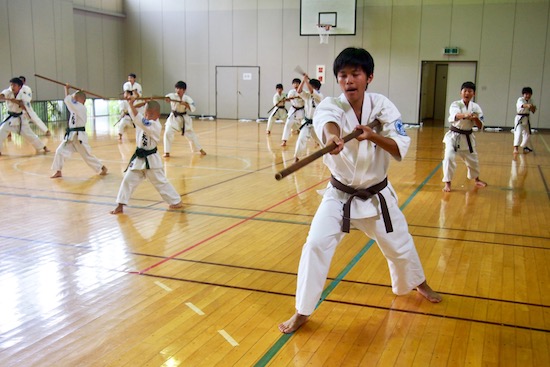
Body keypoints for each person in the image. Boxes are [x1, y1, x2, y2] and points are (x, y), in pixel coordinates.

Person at [278, 47, 441, 334]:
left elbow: (400, 146)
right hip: (340, 196)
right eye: (343, 75)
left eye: (356, 74)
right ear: (337, 80)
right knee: (315, 244)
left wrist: (374, 135)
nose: (349, 80)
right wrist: (332, 137)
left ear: (369, 77)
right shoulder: (332, 105)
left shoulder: (383, 107)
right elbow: (325, 122)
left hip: (378, 196)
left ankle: (419, 283)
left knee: (400, 244)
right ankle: (303, 310)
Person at [111, 98, 183, 214]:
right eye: (145, 113)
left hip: (151, 160)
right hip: (139, 159)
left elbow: (139, 119)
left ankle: (176, 201)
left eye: (150, 114)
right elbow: (136, 117)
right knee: (128, 180)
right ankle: (120, 205)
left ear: (157, 115)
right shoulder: (143, 121)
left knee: (160, 182)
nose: (147, 116)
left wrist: (131, 103)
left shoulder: (155, 125)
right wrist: (138, 103)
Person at [51, 84, 107, 178]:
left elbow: (68, 101)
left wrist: (66, 89)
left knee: (86, 156)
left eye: (75, 97)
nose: (73, 98)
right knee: (59, 151)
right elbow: (69, 101)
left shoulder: (80, 107)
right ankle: (58, 171)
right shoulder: (75, 108)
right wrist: (69, 91)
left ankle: (102, 168)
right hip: (71, 136)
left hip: (78, 136)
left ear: (79, 99)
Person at [442, 81, 487, 192]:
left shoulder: (476, 107)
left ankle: (476, 179)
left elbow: (481, 125)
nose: (467, 93)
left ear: (474, 94)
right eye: (465, 91)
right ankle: (447, 183)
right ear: (461, 92)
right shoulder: (456, 104)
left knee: (473, 160)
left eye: (470, 91)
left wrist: (475, 118)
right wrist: (466, 115)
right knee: (448, 157)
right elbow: (455, 115)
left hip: (467, 138)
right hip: (453, 137)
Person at [0, 77, 50, 156]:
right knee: (1, 130)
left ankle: (43, 147)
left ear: (19, 86)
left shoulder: (24, 93)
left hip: (20, 120)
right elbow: (2, 94)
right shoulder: (8, 91)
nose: (12, 87)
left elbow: (24, 106)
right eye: (11, 85)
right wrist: (2, 96)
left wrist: (16, 101)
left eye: (14, 85)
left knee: (30, 135)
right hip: (10, 118)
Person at [163, 81, 206, 157]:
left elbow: (193, 108)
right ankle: (167, 152)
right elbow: (167, 98)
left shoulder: (187, 98)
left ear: (184, 90)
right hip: (173, 118)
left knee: (191, 135)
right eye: (177, 88)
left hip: (184, 119)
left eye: (180, 89)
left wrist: (186, 104)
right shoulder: (172, 96)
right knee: (167, 132)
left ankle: (199, 149)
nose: (178, 90)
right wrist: (167, 99)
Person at [293, 75, 323, 162]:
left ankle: (329, 153)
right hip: (307, 122)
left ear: (315, 87)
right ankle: (296, 157)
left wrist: (306, 81)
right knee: (301, 139)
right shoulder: (307, 96)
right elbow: (299, 91)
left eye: (311, 85)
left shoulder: (319, 95)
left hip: (316, 123)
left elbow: (311, 90)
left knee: (320, 140)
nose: (308, 87)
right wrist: (303, 80)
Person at [280, 78, 305, 146]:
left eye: (297, 83)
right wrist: (287, 98)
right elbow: (289, 97)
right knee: (288, 124)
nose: (295, 85)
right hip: (293, 110)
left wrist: (298, 96)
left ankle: (315, 140)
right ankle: (284, 140)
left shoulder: (304, 92)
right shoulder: (291, 91)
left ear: (300, 85)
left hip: (301, 111)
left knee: (305, 126)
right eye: (294, 83)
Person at [513, 87, 536, 154]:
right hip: (519, 118)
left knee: (528, 134)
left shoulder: (531, 100)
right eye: (526, 94)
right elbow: (522, 105)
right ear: (523, 94)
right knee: (518, 133)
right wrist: (528, 105)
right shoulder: (520, 99)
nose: (527, 96)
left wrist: (532, 107)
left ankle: (524, 146)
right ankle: (515, 148)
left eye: (529, 94)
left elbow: (533, 110)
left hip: (527, 118)